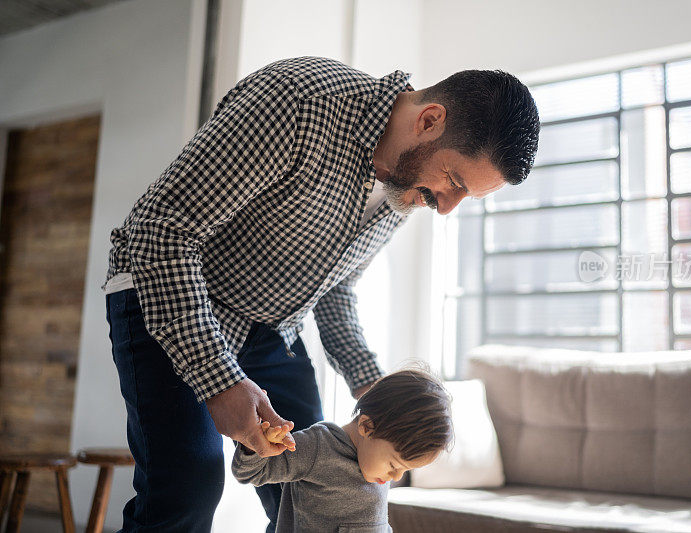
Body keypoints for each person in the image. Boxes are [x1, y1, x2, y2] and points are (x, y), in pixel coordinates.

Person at [104, 56, 539, 532]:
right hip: (167, 292)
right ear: (429, 120)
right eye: (454, 182)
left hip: (271, 328)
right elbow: (161, 231)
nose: (446, 209)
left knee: (327, 480)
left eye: (466, 197)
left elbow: (335, 288)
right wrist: (219, 379)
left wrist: (370, 383)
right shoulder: (299, 103)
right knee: (187, 490)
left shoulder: (408, 186)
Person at [231, 368, 453, 532]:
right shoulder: (317, 447)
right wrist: (256, 443)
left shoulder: (376, 466)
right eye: (394, 465)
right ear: (367, 427)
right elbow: (249, 473)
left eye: (404, 470)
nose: (396, 476)